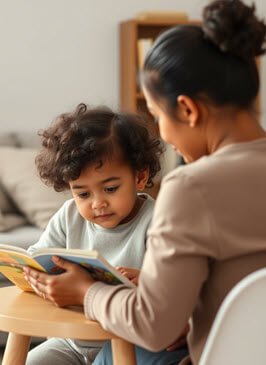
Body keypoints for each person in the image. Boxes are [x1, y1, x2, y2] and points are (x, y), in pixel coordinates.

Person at [24, 0, 266, 363]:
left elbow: (155, 325)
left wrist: (87, 291)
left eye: (157, 116)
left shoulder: (192, 188)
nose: (165, 136)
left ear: (187, 109)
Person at [24, 104, 189, 365]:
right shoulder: (69, 216)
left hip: (128, 339)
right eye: (83, 194)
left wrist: (145, 281)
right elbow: (38, 257)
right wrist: (35, 274)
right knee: (33, 361)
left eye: (110, 188)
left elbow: (175, 290)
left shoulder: (158, 221)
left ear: (140, 176)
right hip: (72, 340)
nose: (97, 203)